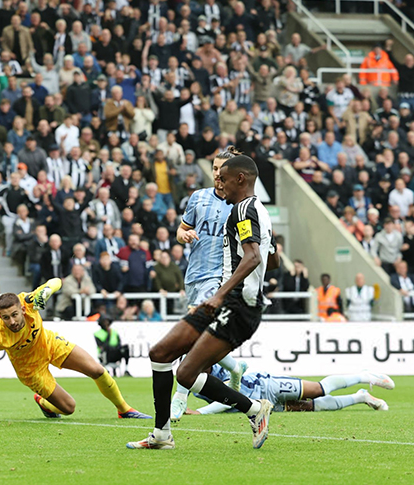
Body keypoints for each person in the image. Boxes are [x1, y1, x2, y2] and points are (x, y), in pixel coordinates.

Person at [128, 155, 277, 451]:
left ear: (240, 179)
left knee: (186, 373)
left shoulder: (243, 211)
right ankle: (162, 434)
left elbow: (254, 257)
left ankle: (253, 409)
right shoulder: (256, 210)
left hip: (236, 307)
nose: (218, 182)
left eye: (223, 177)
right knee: (160, 354)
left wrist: (221, 294)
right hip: (226, 301)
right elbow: (272, 259)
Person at [0, 279, 151, 423]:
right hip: (30, 369)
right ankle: (43, 403)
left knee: (97, 370)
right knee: (69, 408)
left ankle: (124, 409)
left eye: (14, 315)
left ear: (23, 309)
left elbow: (57, 281)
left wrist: (46, 291)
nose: (11, 321)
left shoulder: (29, 301)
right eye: (6, 318)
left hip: (50, 344)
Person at [169, 147, 247, 421]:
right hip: (194, 277)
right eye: (214, 169)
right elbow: (181, 230)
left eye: (222, 170)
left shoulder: (240, 206)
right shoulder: (198, 198)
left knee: (195, 332)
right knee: (200, 338)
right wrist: (184, 235)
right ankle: (235, 368)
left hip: (219, 278)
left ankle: (179, 396)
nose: (216, 174)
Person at [183, 366, 393, 416]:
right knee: (314, 406)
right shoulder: (195, 383)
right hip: (264, 405)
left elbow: (227, 397)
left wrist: (201, 412)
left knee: (319, 390)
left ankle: (364, 376)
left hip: (268, 387)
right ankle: (361, 397)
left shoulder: (221, 368)